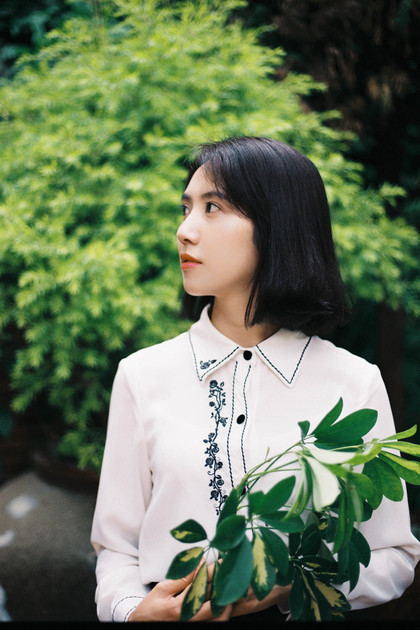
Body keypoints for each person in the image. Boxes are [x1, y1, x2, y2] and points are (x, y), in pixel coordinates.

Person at [90, 136, 420, 622]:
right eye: (185, 208)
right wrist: (131, 611)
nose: (184, 231)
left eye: (212, 208)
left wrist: (288, 584)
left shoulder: (353, 383)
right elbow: (117, 548)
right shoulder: (142, 376)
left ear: (277, 225)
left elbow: (392, 556)